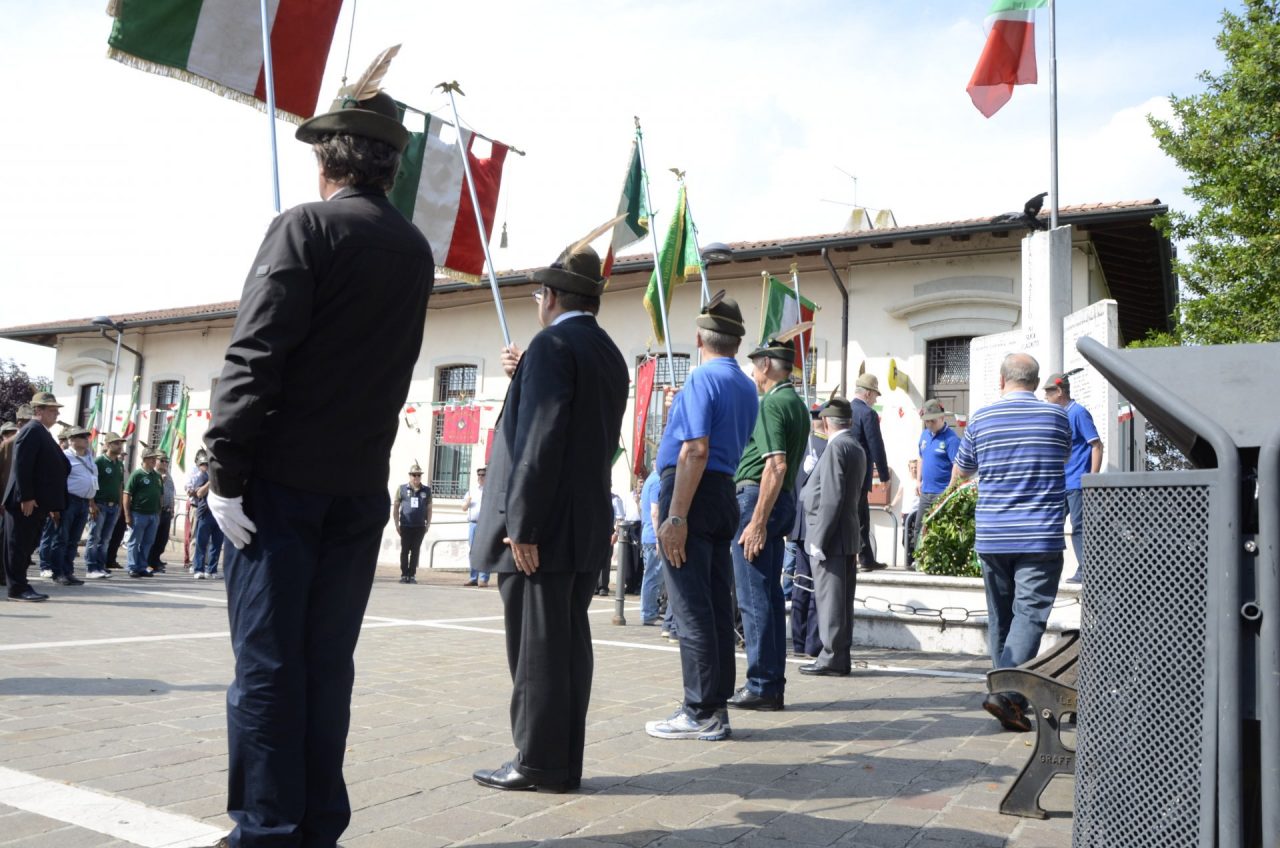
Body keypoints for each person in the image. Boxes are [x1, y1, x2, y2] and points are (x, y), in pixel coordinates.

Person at [201, 84, 433, 848]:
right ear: (390, 167)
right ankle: (317, 823)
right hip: (358, 485)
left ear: (327, 160)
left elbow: (254, 355)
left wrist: (223, 471)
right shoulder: (413, 248)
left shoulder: (306, 226)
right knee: (326, 665)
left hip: (280, 486)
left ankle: (268, 827)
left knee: (268, 665)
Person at [469, 240, 627, 792]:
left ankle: (537, 762)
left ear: (551, 296)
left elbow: (540, 439)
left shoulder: (551, 345)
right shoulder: (606, 351)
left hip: (545, 528)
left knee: (536, 651)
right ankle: (560, 762)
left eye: (539, 295)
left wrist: (523, 525)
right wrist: (527, 372)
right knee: (566, 647)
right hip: (582, 523)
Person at [645, 292, 758, 741]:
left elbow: (694, 450)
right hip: (722, 490)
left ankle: (699, 709)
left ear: (699, 339)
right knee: (713, 607)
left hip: (691, 490)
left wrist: (675, 517)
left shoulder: (701, 379)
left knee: (690, 607)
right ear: (737, 342)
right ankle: (715, 706)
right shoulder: (746, 385)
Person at [951, 352, 1070, 733]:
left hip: (993, 533)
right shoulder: (1057, 417)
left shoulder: (981, 419)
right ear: (1035, 383)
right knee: (1029, 615)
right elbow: (1063, 458)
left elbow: (963, 469)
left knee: (1002, 616)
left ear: (1001, 381)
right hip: (1039, 534)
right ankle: (1006, 695)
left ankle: (1006, 698)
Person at [726, 337, 810, 713]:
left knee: (754, 596)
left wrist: (757, 521)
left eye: (755, 364)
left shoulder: (772, 403)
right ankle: (770, 683)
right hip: (779, 500)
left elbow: (774, 465)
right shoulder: (796, 404)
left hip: (758, 499)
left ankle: (762, 684)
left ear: (766, 365)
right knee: (770, 596)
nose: (753, 372)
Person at [798, 398, 866, 676]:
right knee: (840, 602)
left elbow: (831, 497)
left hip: (831, 536)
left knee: (830, 602)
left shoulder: (837, 447)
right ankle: (838, 655)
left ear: (826, 422)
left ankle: (832, 657)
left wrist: (819, 539)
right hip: (844, 534)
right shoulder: (854, 445)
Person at [3, 393, 69, 601]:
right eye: (52, 410)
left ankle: (21, 584)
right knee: (18, 546)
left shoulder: (42, 432)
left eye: (56, 410)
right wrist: (26, 496)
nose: (56, 414)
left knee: (26, 545)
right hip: (26, 502)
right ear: (38, 411)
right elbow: (22, 465)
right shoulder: (32, 430)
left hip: (38, 502)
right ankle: (17, 589)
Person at [1042, 372, 1103, 584]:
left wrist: (1092, 480)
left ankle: (1086, 570)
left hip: (1077, 482)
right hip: (1060, 483)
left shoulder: (1078, 413)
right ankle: (1048, 569)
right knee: (1051, 524)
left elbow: (1096, 445)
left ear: (1059, 391)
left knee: (1079, 526)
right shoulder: (1057, 415)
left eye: (1048, 392)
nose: (1045, 396)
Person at [789, 406, 827, 658]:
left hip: (798, 524)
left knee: (800, 583)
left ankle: (798, 640)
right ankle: (812, 643)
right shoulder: (826, 448)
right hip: (815, 524)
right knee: (815, 586)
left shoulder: (798, 448)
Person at [850, 373, 891, 572]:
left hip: (842, 473)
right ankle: (862, 559)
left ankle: (865, 558)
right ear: (867, 393)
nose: (875, 399)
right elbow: (876, 445)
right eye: (875, 395)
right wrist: (884, 475)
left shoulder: (845, 410)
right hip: (860, 474)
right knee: (859, 517)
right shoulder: (868, 414)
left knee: (858, 516)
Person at [50, 426, 97, 586]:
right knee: (61, 539)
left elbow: (92, 480)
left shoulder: (89, 457)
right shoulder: (64, 456)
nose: (86, 439)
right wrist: (55, 506)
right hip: (68, 500)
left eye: (86, 437)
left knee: (73, 540)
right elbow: (56, 482)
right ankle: (58, 573)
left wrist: (91, 501)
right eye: (81, 437)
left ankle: (68, 571)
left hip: (84, 502)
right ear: (71, 440)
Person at [916, 399, 960, 552]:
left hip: (942, 493)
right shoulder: (924, 435)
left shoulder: (951, 439)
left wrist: (950, 488)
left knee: (940, 529)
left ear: (942, 418)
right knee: (919, 527)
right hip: (925, 491)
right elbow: (921, 458)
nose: (929, 424)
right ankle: (918, 559)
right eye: (926, 421)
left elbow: (957, 466)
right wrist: (918, 481)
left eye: (932, 421)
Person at [85, 433, 126, 579]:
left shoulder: (119, 464)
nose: (120, 446)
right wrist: (91, 503)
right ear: (107, 445)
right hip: (100, 504)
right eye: (116, 443)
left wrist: (120, 505)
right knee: (95, 537)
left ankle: (101, 566)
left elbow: (120, 486)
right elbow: (92, 483)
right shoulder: (99, 462)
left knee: (106, 539)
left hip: (113, 506)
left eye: (120, 443)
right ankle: (91, 567)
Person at [122, 449, 164, 578]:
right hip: (138, 514)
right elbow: (127, 494)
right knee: (134, 542)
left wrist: (159, 511)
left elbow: (160, 494)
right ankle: (132, 567)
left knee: (148, 542)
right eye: (151, 458)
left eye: (155, 458)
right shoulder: (137, 474)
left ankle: (142, 566)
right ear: (145, 459)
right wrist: (127, 515)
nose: (154, 460)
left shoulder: (157, 476)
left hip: (153, 515)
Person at [392, 464, 432, 584]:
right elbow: (396, 507)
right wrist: (396, 524)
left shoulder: (426, 490)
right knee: (405, 550)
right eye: (414, 475)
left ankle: (412, 575)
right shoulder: (402, 489)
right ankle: (404, 574)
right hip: (405, 525)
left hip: (419, 526)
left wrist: (428, 524)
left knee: (415, 551)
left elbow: (429, 509)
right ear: (410, 476)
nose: (416, 477)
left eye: (419, 475)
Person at [186, 450, 223, 579]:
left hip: (218, 513)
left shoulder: (221, 477)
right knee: (201, 542)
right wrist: (210, 482)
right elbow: (199, 493)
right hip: (205, 513)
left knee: (217, 543)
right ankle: (198, 569)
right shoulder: (203, 476)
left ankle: (212, 570)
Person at [638, 467, 663, 625]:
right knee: (653, 576)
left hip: (648, 534)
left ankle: (650, 610)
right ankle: (648, 613)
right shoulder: (657, 481)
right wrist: (659, 538)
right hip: (653, 537)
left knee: (651, 576)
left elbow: (643, 507)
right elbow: (655, 511)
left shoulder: (649, 481)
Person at [147, 454, 175, 571]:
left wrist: (172, 508)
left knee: (162, 539)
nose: (164, 463)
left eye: (166, 461)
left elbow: (171, 493)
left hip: (167, 511)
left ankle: (156, 559)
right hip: (157, 510)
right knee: (153, 538)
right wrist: (160, 481)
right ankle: (149, 561)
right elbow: (153, 491)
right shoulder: (153, 475)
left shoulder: (169, 476)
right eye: (162, 461)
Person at [461, 467, 487, 587]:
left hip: (485, 524)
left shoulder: (490, 490)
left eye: (483, 475)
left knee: (485, 550)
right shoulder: (472, 491)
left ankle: (483, 578)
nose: (480, 477)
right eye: (479, 475)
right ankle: (473, 578)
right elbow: (463, 508)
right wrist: (467, 502)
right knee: (473, 551)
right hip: (473, 524)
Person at [902, 458, 921, 570]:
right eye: (912, 468)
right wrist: (891, 505)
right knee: (905, 538)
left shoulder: (920, 482)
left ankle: (913, 560)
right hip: (906, 512)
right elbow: (899, 494)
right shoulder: (905, 481)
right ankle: (909, 559)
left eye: (916, 468)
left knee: (915, 536)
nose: (914, 470)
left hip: (916, 512)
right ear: (909, 469)